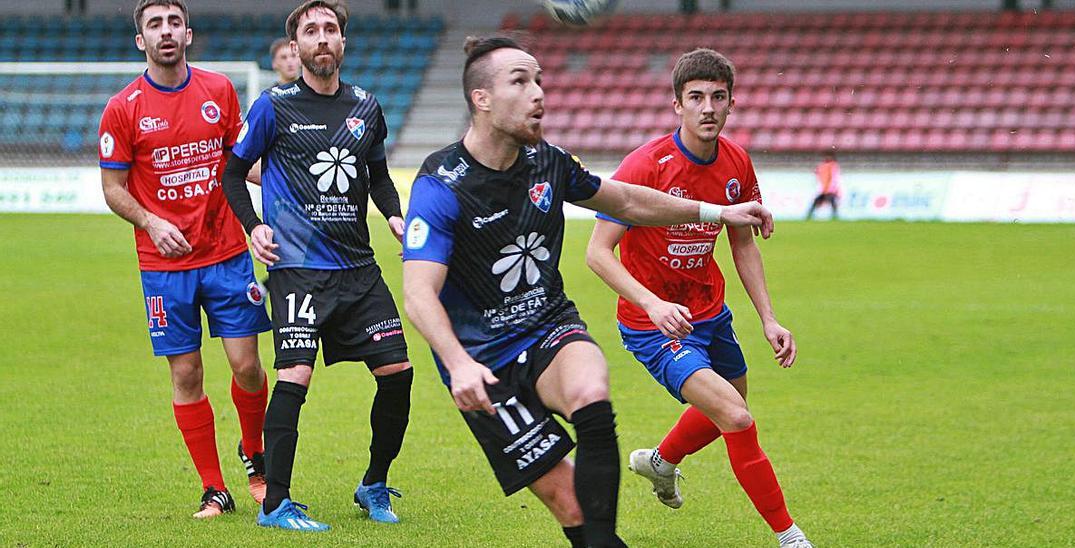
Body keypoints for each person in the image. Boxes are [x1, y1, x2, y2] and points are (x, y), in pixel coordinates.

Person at [400, 36, 774, 548]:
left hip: (548, 325)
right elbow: (419, 294)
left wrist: (717, 211)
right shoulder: (441, 184)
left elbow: (626, 200)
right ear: (480, 99)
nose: (538, 94)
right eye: (520, 81)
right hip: (480, 358)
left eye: (539, 81)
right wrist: (457, 363)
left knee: (591, 392)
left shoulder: (548, 161)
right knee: (568, 503)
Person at [585, 48, 812, 548]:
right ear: (677, 106)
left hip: (709, 310)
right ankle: (790, 537)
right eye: (696, 97)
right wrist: (652, 304)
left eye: (718, 97)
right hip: (654, 323)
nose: (708, 107)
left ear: (731, 104)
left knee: (730, 403)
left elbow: (742, 241)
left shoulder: (736, 161)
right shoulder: (646, 165)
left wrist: (769, 319)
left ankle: (661, 462)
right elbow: (598, 254)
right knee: (735, 416)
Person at [221, 0, 412, 532]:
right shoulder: (273, 105)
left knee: (398, 373)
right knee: (295, 376)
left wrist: (394, 216)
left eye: (331, 29)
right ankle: (275, 504)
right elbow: (233, 175)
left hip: (358, 268)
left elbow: (376, 175)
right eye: (311, 30)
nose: (322, 38)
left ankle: (373, 483)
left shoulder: (367, 107)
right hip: (297, 268)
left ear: (342, 43)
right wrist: (254, 226)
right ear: (298, 46)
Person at [98, 0, 271, 520]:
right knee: (188, 373)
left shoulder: (219, 91)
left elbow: (238, 162)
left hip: (227, 254)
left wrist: (293, 188)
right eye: (155, 24)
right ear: (141, 40)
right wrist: (151, 221)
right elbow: (112, 187)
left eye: (174, 22)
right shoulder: (123, 107)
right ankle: (214, 488)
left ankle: (254, 451)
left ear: (188, 33)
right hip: (163, 265)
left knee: (247, 367)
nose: (166, 32)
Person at [806, 151, 840, 221]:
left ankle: (835, 216)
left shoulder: (833, 165)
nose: (828, 158)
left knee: (831, 202)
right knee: (817, 201)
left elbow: (833, 177)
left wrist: (833, 188)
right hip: (824, 189)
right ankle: (809, 215)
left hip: (831, 189)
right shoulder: (823, 165)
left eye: (829, 156)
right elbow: (817, 172)